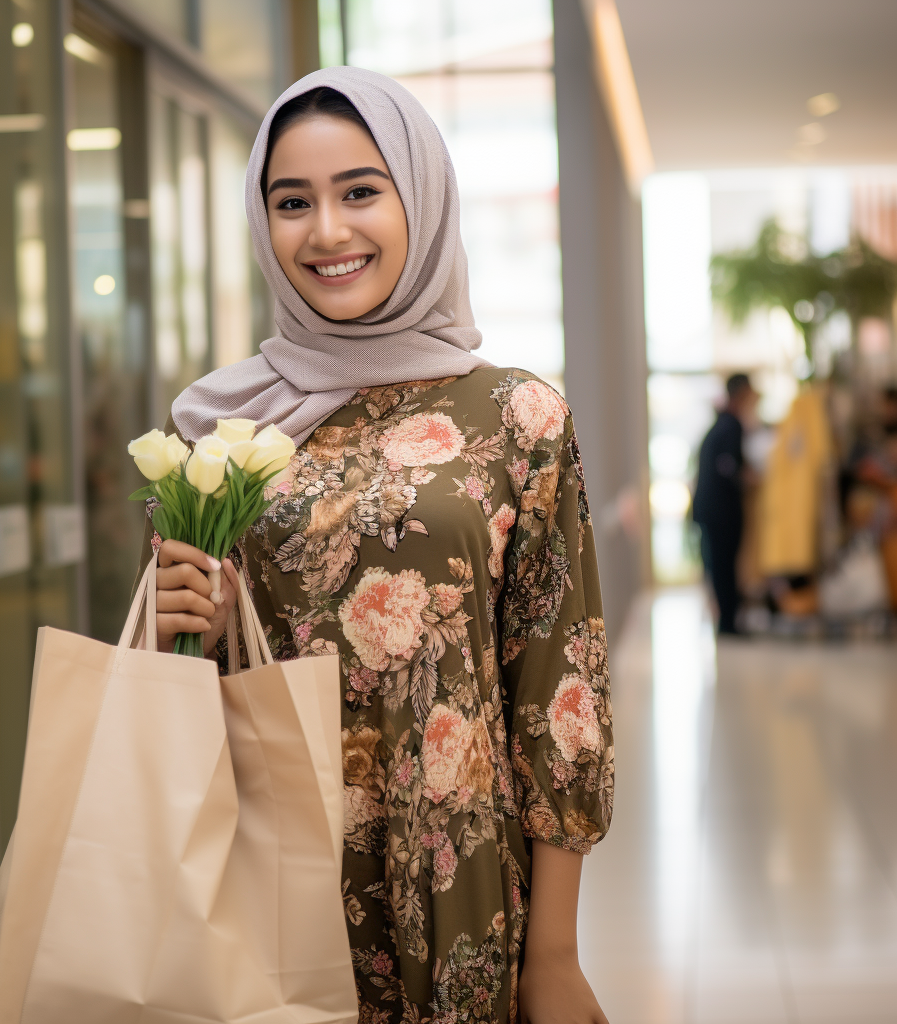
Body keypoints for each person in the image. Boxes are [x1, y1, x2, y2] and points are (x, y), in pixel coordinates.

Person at [139, 68, 612, 1024]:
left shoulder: (517, 416)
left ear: (422, 197)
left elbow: (560, 693)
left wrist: (554, 953)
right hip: (268, 867)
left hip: (456, 878)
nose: (326, 232)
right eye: (291, 202)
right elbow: (183, 684)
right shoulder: (225, 430)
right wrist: (195, 622)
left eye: (361, 190)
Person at [693, 372, 758, 634]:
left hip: (711, 509)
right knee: (723, 566)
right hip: (721, 511)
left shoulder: (720, 424)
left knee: (719, 566)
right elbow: (729, 467)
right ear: (742, 393)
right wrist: (751, 478)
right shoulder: (732, 425)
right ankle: (728, 624)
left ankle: (727, 621)